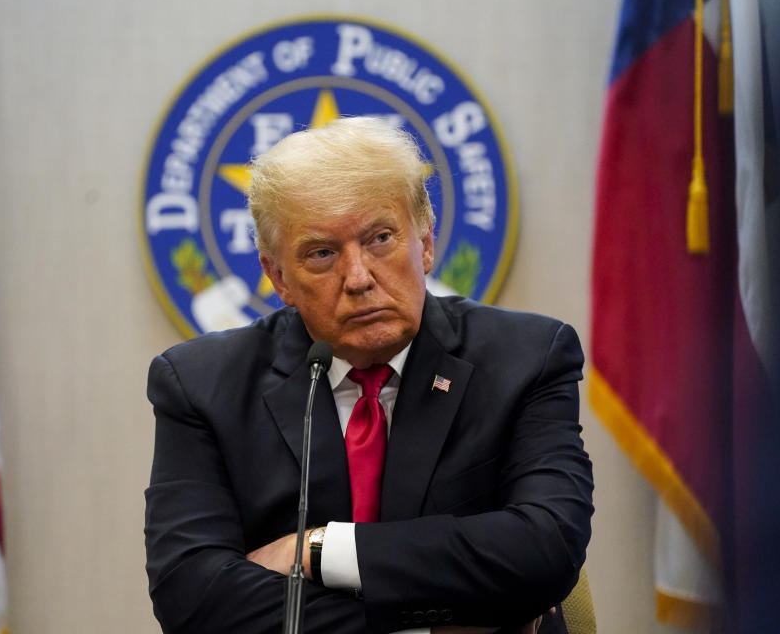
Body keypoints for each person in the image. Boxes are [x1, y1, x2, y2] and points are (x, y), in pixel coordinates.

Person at [144, 117, 593, 633]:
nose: (358, 279)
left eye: (380, 238)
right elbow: (192, 594)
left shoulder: (528, 358)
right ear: (279, 277)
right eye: (322, 253)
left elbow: (547, 547)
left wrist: (317, 549)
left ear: (424, 243)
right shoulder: (201, 385)